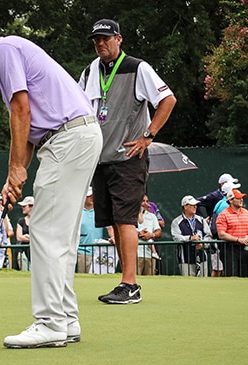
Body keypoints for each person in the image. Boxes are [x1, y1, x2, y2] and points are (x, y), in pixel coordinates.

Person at [0, 21, 103, 348]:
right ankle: (66, 319)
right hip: (77, 136)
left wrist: (16, 169)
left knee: (45, 233)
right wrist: (14, 175)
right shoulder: (12, 54)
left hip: (68, 139)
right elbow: (30, 130)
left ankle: (49, 323)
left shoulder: (4, 48)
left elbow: (21, 112)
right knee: (61, 236)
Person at [78, 18, 176, 304]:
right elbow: (78, 107)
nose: (100, 43)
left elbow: (168, 100)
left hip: (128, 157)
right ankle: (125, 282)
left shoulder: (137, 67)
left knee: (124, 221)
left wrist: (148, 135)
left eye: (106, 38)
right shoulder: (90, 70)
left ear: (119, 39)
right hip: (100, 159)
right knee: (113, 222)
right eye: (96, 39)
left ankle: (130, 284)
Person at [215, 189, 248, 277]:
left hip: (244, 249)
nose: (241, 200)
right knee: (232, 275)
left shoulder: (246, 212)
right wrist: (238, 239)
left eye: (242, 198)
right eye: (238, 198)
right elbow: (221, 234)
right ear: (231, 200)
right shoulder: (223, 215)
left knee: (246, 275)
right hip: (230, 249)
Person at [171, 195, 212, 277]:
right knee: (187, 283)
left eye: (195, 205)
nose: (195, 207)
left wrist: (202, 244)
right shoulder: (176, 221)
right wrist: (190, 238)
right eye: (192, 205)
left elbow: (209, 236)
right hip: (185, 259)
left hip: (202, 258)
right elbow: (176, 237)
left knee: (203, 284)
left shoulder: (201, 220)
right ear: (185, 207)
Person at [77, 187, 104, 273]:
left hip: (99, 253)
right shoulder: (78, 212)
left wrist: (113, 237)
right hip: (82, 253)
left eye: (93, 195)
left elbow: (110, 228)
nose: (92, 198)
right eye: (89, 196)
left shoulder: (100, 212)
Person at [136, 196, 161, 276]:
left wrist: (151, 235)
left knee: (150, 279)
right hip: (136, 254)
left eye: (147, 201)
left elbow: (159, 232)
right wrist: (139, 234)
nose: (145, 203)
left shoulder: (152, 216)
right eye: (143, 201)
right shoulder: (130, 216)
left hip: (149, 255)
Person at [15, 196, 34, 270]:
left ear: (31, 206)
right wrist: (32, 238)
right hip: (23, 253)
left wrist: (27, 237)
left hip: (37, 254)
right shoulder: (21, 221)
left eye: (24, 206)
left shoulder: (39, 221)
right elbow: (19, 237)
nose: (22, 208)